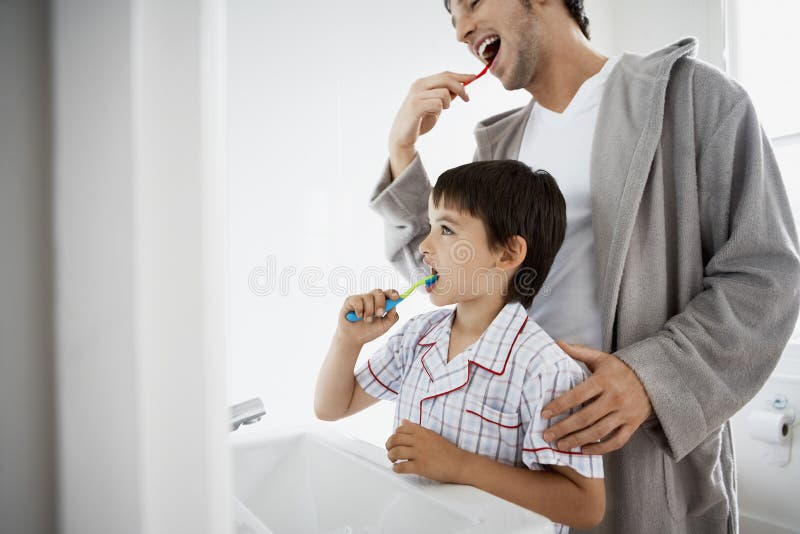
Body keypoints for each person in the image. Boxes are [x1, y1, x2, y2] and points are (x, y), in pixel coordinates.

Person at [368, 0, 800, 532]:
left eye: (472, 3)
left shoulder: (696, 99)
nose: (460, 29)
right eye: (451, 17)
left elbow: (765, 276)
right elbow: (448, 281)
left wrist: (651, 378)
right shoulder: (495, 149)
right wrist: (401, 149)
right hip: (512, 472)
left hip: (639, 466)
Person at [315, 160, 605, 532]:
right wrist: (346, 341)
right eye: (432, 226)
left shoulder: (545, 370)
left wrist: (460, 465)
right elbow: (331, 407)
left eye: (447, 230)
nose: (424, 246)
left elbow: (586, 505)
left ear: (507, 254)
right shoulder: (418, 336)